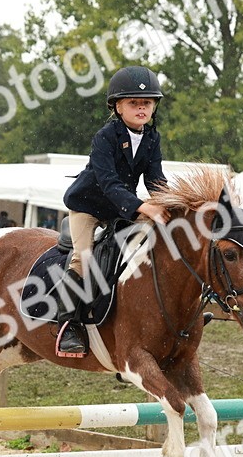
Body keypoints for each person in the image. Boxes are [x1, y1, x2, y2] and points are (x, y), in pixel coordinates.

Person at [56, 65, 172, 357]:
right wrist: (143, 206)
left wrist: (171, 204)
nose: (141, 108)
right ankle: (68, 324)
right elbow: (108, 183)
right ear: (118, 107)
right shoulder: (105, 136)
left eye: (146, 103)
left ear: (154, 106)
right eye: (134, 103)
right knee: (83, 259)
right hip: (89, 206)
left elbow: (156, 180)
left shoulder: (152, 138)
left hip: (121, 207)